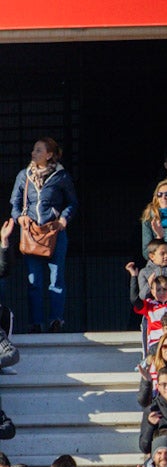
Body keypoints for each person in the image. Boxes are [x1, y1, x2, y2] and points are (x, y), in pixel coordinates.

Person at [10, 137, 77, 333]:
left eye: (39, 150)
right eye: (34, 150)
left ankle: (56, 320)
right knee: (34, 281)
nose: (34, 153)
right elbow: (14, 202)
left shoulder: (61, 176)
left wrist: (64, 218)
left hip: (54, 232)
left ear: (49, 155)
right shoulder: (24, 175)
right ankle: (36, 323)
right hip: (31, 233)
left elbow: (72, 202)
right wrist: (18, 218)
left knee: (56, 278)